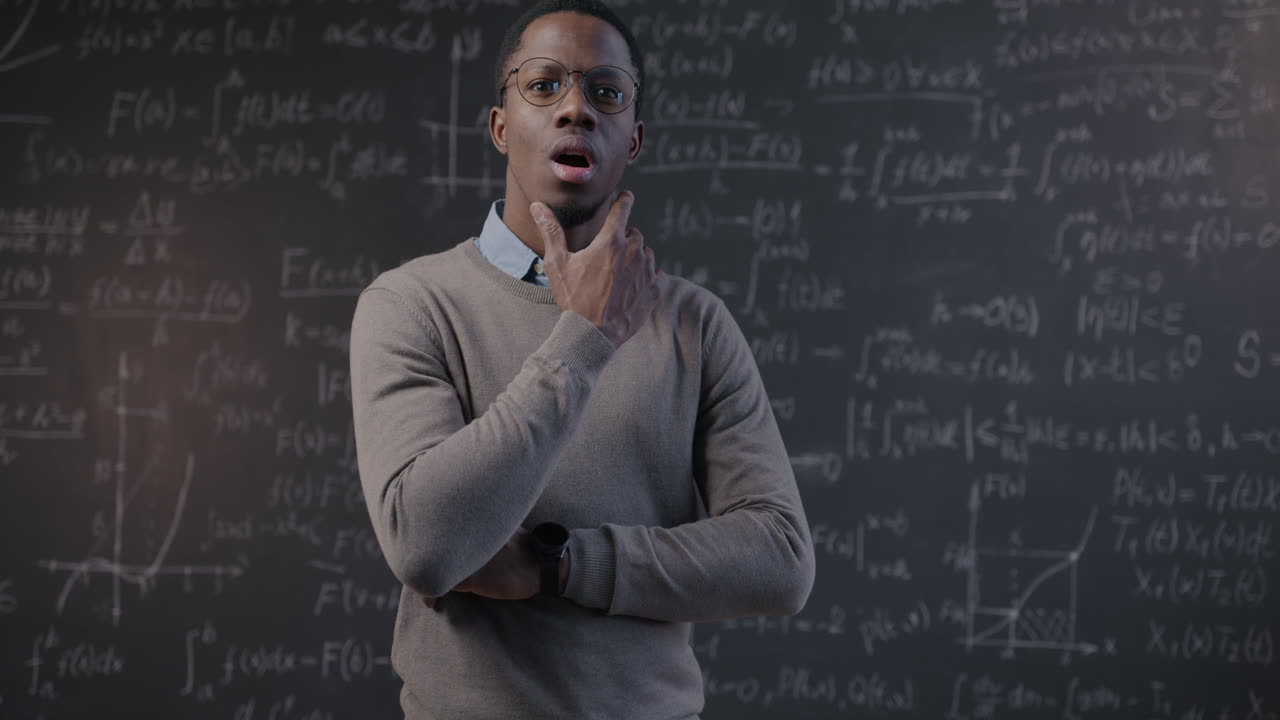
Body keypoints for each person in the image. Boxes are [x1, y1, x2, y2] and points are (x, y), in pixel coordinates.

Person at [348, 1, 815, 717]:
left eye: (607, 91)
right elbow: (427, 544)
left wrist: (556, 566)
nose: (576, 109)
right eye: (544, 85)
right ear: (502, 127)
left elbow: (781, 560)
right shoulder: (411, 305)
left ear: (634, 138)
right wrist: (585, 336)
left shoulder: (695, 325)